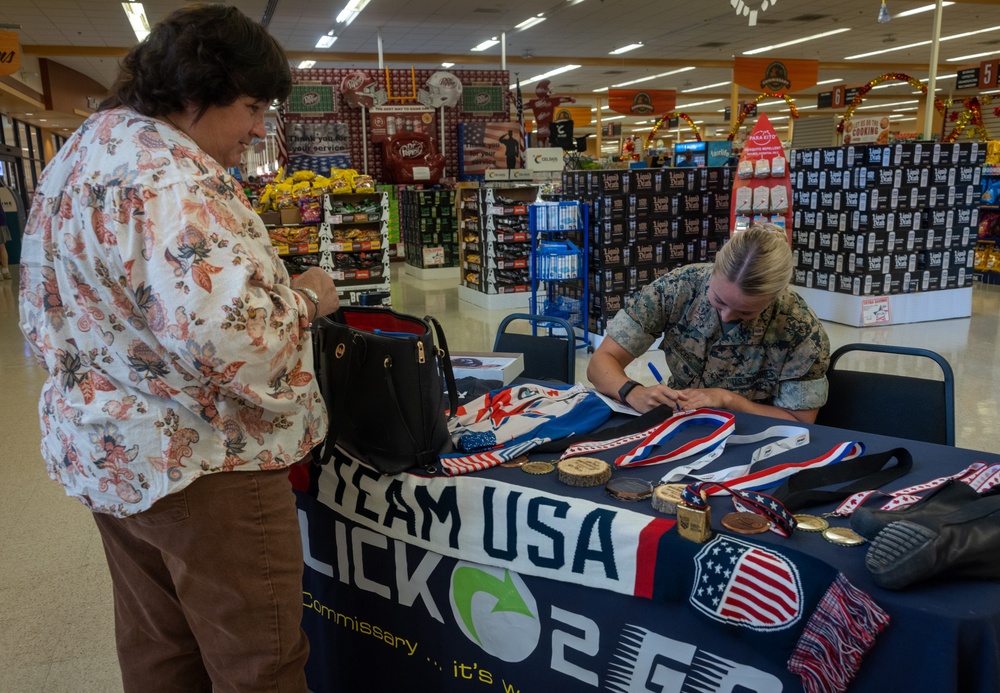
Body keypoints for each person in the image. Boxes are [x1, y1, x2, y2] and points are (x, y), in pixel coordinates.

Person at [17, 5, 339, 692]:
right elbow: (241, 344)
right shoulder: (176, 179)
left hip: (112, 454)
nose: (258, 129)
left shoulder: (83, 152)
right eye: (252, 107)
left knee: (159, 651)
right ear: (196, 94)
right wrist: (309, 296)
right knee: (261, 663)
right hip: (206, 466)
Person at [587, 224, 829, 423]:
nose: (726, 316)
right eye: (719, 301)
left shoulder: (801, 331)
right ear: (714, 268)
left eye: (745, 312)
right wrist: (633, 392)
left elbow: (800, 422)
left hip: (750, 435)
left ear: (776, 296)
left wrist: (728, 400)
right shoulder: (677, 288)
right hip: (678, 423)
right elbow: (601, 362)